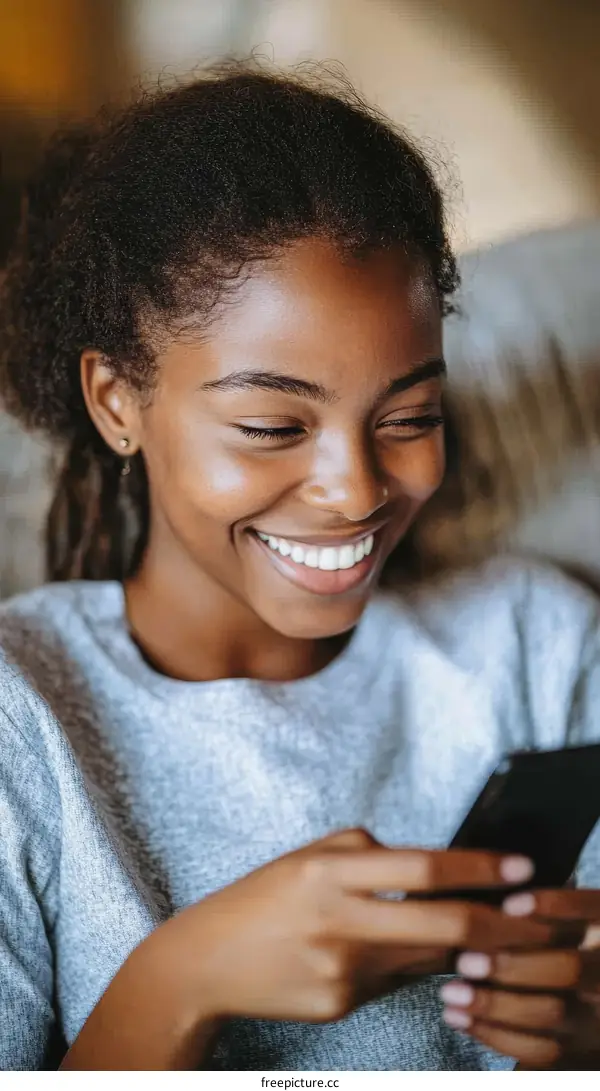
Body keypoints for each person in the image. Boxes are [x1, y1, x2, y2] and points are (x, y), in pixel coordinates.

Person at [0, 65, 599, 1073]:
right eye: (274, 426)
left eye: (408, 417)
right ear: (116, 402)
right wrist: (178, 981)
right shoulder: (25, 717)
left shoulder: (538, 647)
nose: (355, 489)